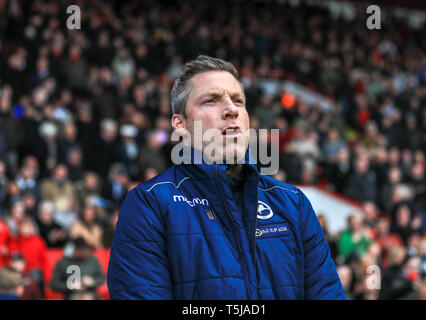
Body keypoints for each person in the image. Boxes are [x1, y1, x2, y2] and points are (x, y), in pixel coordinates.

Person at [107, 55, 345, 299]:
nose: (231, 109)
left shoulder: (293, 203)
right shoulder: (149, 205)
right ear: (180, 124)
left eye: (238, 101)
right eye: (210, 100)